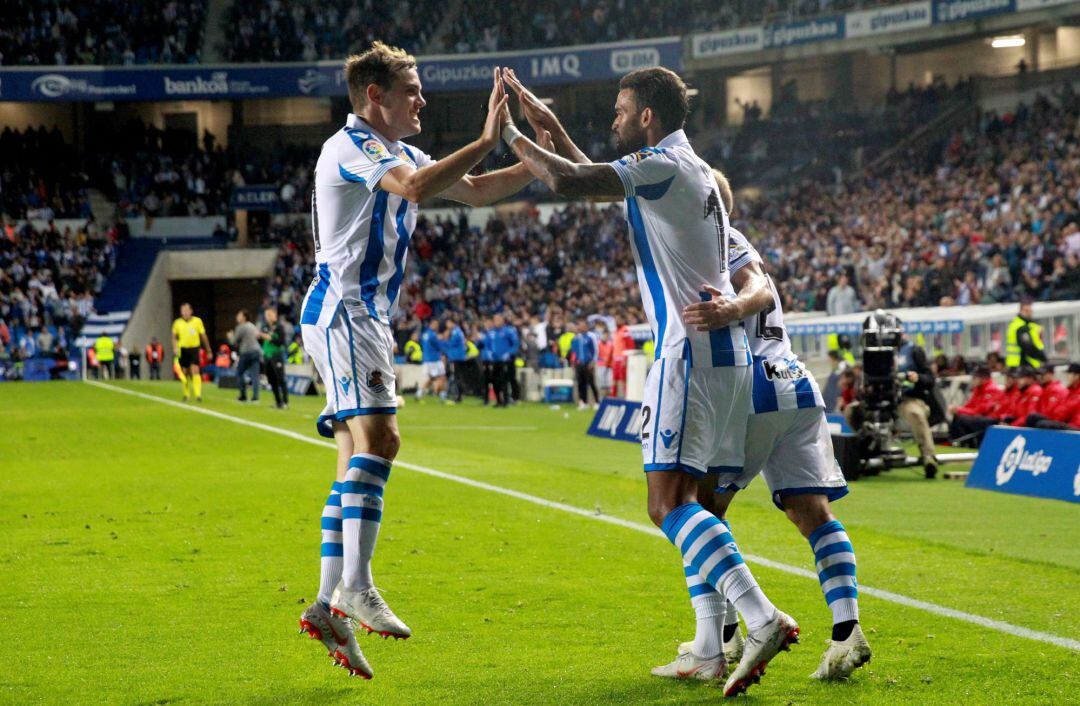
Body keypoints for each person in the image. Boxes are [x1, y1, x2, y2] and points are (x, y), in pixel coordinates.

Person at [502, 66, 795, 697]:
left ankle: (762, 616)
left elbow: (569, 179)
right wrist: (545, 125)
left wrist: (505, 132)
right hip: (721, 358)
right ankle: (710, 648)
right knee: (692, 501)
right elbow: (600, 181)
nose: (612, 120)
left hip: (687, 353)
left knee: (666, 505)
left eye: (619, 109)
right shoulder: (684, 171)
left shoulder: (665, 165)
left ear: (646, 118)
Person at [296, 43, 540, 679]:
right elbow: (411, 188)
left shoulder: (399, 152)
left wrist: (537, 162)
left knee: (354, 452)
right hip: (345, 310)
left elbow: (478, 191)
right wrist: (486, 136)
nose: (423, 100)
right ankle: (355, 585)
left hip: (357, 315)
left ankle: (326, 604)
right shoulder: (352, 147)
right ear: (375, 96)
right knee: (383, 441)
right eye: (412, 90)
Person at [651, 186, 868, 683]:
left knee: (694, 507)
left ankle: (717, 641)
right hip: (796, 382)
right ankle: (846, 632)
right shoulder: (742, 246)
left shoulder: (709, 247)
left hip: (754, 386)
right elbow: (764, 290)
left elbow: (748, 299)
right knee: (813, 514)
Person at [948, 366, 1005, 447]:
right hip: (979, 417)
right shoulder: (978, 389)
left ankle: (963, 442)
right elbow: (970, 405)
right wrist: (958, 409)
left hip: (989, 419)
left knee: (962, 418)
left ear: (983, 378)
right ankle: (959, 441)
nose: (973, 379)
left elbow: (981, 411)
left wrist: (959, 410)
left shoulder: (992, 390)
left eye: (975, 377)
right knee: (958, 416)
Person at [172, 302, 210, 402]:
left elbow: (203, 336)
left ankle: (198, 395)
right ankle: (186, 393)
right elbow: (174, 337)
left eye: (186, 310)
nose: (185, 312)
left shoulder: (197, 321)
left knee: (195, 370)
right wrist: (175, 347)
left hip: (194, 349)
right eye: (183, 310)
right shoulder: (177, 323)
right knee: (185, 372)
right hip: (183, 349)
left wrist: (208, 350)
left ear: (191, 311)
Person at [1024, 363, 1080, 430]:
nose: (1066, 377)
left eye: (1069, 374)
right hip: (1066, 423)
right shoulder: (1070, 392)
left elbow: (1065, 412)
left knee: (1043, 424)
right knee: (1033, 418)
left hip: (1076, 427)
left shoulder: (1070, 392)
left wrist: (1054, 420)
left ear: (1077, 376)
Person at [260, 307, 289, 409]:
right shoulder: (265, 327)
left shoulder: (279, 327)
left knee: (281, 378)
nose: (267, 317)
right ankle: (278, 402)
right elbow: (262, 340)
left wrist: (271, 338)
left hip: (277, 355)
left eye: (269, 315)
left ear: (274, 315)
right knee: (272, 380)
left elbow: (281, 341)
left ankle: (285, 402)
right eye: (266, 315)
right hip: (267, 356)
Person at [1005, 298, 1046, 369]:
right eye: (1026, 311)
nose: (1029, 313)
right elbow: (1027, 346)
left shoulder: (1025, 324)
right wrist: (1042, 357)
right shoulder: (1021, 327)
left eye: (1030, 311)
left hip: (1019, 363)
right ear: (1021, 311)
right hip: (1022, 364)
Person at [231, 309, 262, 403]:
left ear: (244, 317)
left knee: (239, 373)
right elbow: (258, 337)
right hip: (256, 351)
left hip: (246, 352)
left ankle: (243, 396)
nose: (237, 317)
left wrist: (230, 337)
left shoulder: (241, 327)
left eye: (239, 315)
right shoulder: (253, 326)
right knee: (255, 375)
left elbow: (234, 341)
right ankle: (255, 397)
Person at [489, 313, 519, 407]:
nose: (496, 322)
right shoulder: (491, 332)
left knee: (504, 380)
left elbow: (515, 344)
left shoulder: (508, 331)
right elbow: (487, 343)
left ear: (502, 320)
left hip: (505, 360)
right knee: (494, 380)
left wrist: (509, 353)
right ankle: (498, 401)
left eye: (498, 320)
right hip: (495, 359)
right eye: (495, 320)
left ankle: (506, 401)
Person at [569, 320, 599, 410]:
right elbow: (574, 352)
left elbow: (595, 350)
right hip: (579, 364)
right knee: (581, 383)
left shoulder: (591, 337)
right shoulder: (576, 338)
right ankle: (583, 402)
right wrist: (574, 362)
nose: (580, 327)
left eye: (582, 326)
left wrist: (593, 361)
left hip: (588, 363)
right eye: (579, 326)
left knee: (591, 382)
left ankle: (597, 402)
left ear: (586, 327)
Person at [417, 321, 446, 400]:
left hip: (427, 359)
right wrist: (442, 339)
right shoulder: (433, 335)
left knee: (432, 378)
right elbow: (439, 345)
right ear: (431, 325)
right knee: (442, 377)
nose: (436, 326)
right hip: (434, 359)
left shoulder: (425, 334)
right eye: (435, 324)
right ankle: (443, 396)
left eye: (437, 325)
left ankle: (419, 393)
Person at [441, 319, 468, 403]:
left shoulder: (456, 332)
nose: (447, 326)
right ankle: (459, 395)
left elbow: (451, 344)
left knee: (458, 376)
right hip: (457, 357)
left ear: (452, 323)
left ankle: (459, 396)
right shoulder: (457, 331)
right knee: (457, 376)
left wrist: (444, 339)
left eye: (448, 323)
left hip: (457, 357)